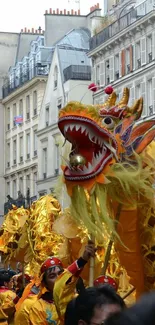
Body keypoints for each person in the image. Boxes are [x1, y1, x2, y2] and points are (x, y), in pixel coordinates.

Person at [29, 241, 96, 325]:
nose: (58, 278)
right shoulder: (37, 308)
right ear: (45, 283)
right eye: (52, 276)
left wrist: (83, 260)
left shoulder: (76, 300)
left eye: (60, 274)